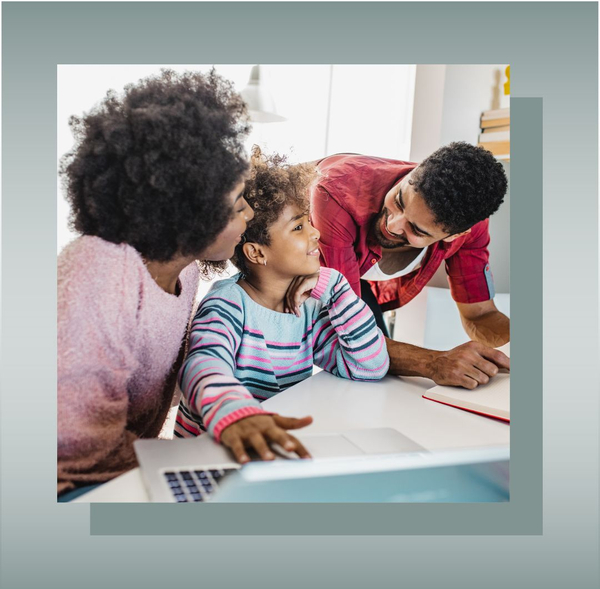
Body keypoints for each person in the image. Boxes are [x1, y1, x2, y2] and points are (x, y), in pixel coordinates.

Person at [57, 69, 260, 501]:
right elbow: (74, 444)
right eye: (237, 204)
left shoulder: (182, 271)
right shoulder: (98, 271)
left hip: (122, 467)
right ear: (189, 210)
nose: (249, 217)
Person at [174, 149, 390, 463]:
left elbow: (369, 367)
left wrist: (336, 286)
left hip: (268, 451)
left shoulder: (308, 306)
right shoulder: (227, 305)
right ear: (257, 253)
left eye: (309, 223)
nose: (316, 233)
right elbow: (202, 365)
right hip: (209, 455)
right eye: (299, 227)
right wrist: (237, 414)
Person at [308, 143, 511, 389]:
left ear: (455, 235)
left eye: (416, 229)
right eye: (400, 200)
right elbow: (349, 334)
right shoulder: (337, 194)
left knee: (377, 380)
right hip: (265, 262)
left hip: (350, 283)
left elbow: (480, 314)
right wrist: (434, 362)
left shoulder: (470, 227)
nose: (392, 225)